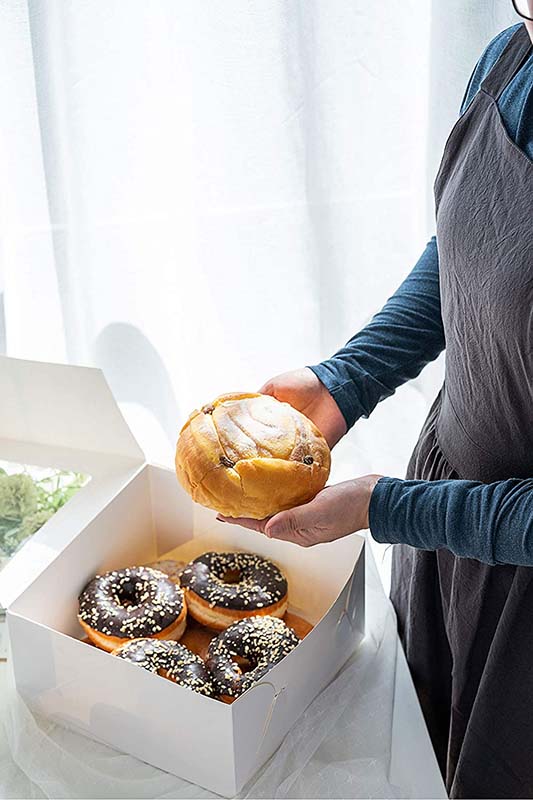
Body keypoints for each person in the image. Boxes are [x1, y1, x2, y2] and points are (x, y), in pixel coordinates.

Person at [217, 10, 533, 800]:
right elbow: (469, 248)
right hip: (446, 512)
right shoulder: (510, 54)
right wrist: (346, 380)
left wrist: (385, 509)